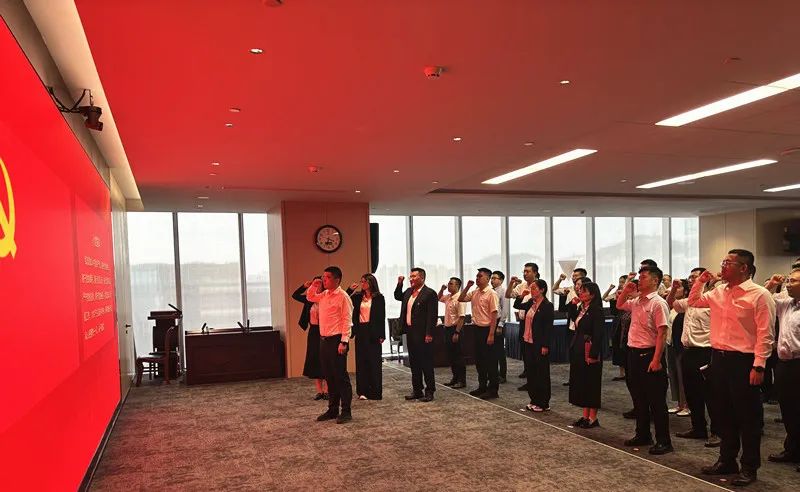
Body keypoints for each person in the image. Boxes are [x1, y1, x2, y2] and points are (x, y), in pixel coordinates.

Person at [688, 249, 776, 486]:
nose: (723, 266)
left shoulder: (759, 294)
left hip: (744, 361)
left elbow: (765, 334)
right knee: (722, 413)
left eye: (728, 263)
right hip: (718, 358)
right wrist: (700, 281)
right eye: (723, 262)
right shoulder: (718, 291)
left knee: (748, 417)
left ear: (744, 268)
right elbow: (693, 302)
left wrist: (759, 366)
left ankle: (749, 466)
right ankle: (727, 460)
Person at [617, 265, 673, 455]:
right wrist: (627, 289)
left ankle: (664, 440)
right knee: (638, 398)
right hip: (633, 354)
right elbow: (619, 305)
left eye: (643, 277)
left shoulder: (658, 303)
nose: (639, 280)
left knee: (656, 401)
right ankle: (642, 434)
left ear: (655, 281)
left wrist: (657, 360)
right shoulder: (637, 301)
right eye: (639, 277)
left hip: (650, 355)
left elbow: (662, 333)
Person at [668, 268, 719, 448]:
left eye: (696, 277)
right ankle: (698, 428)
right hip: (688, 351)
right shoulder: (689, 301)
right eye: (690, 277)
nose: (691, 280)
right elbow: (671, 304)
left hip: (706, 351)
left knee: (711, 394)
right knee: (691, 392)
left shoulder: (713, 299)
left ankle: (717, 432)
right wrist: (673, 289)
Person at [307, 266, 354, 424]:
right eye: (323, 277)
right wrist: (314, 285)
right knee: (329, 376)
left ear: (337, 279)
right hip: (324, 340)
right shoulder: (324, 295)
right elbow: (310, 297)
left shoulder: (343, 296)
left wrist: (344, 341)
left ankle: (346, 411)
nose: (324, 280)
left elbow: (347, 320)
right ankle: (332, 409)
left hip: (337, 340)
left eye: (327, 277)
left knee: (340, 377)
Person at [765, 268, 800, 471]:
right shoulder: (786, 303)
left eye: (793, 281)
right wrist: (772, 284)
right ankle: (792, 449)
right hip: (784, 363)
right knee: (788, 409)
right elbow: (763, 299)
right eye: (788, 280)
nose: (788, 284)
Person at [395, 268, 438, 402]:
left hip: (423, 333)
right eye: (410, 276)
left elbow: (432, 315)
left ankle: (430, 391)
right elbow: (397, 296)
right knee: (414, 363)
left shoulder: (429, 293)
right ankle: (417, 390)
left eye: (414, 276)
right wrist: (400, 284)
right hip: (410, 332)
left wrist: (429, 333)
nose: (411, 279)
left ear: (422, 278)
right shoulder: (409, 292)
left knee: (426, 363)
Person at [459, 268, 500, 400]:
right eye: (476, 276)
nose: (477, 278)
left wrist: (491, 334)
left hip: (487, 330)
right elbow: (461, 298)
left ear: (487, 279)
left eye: (480, 276)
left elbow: (494, 315)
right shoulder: (475, 292)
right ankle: (482, 386)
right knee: (480, 360)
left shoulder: (491, 293)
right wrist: (467, 286)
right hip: (476, 329)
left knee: (491, 361)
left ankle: (493, 390)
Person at [513, 279, 554, 412]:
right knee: (531, 373)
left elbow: (548, 328)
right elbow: (517, 305)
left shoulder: (547, 305)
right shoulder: (531, 302)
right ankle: (534, 399)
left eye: (534, 288)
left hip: (539, 343)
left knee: (541, 373)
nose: (532, 291)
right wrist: (521, 295)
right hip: (528, 342)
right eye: (531, 288)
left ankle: (543, 402)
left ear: (542, 290)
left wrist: (545, 345)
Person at [569, 282, 605, 428]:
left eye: (584, 291)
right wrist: (573, 305)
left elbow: (598, 334)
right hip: (579, 347)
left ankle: (593, 418)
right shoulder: (582, 308)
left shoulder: (597, 310)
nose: (580, 293)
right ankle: (585, 416)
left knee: (591, 383)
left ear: (593, 294)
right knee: (582, 382)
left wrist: (593, 354)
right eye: (580, 291)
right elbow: (574, 319)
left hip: (590, 349)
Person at [349, 273, 385, 401]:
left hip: (373, 331)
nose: (362, 283)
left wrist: (382, 334)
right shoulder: (357, 297)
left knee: (374, 362)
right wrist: (350, 290)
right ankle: (362, 391)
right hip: (361, 330)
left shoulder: (379, 298)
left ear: (371, 283)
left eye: (364, 281)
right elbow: (344, 299)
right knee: (361, 361)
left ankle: (375, 391)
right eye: (361, 281)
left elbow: (381, 317)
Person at [291, 277, 328, 400]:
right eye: (315, 283)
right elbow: (295, 295)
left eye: (319, 283)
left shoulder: (326, 297)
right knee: (314, 358)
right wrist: (304, 286)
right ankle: (319, 391)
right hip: (313, 331)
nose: (317, 285)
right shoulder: (309, 299)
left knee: (325, 358)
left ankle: (327, 390)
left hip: (325, 330)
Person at [507, 262, 540, 389]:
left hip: (533, 322)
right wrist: (511, 283)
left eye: (528, 271)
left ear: (535, 273)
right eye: (524, 271)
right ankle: (528, 371)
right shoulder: (521, 286)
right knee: (525, 349)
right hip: (523, 321)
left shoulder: (539, 285)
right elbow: (508, 295)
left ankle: (534, 378)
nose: (525, 274)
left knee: (533, 351)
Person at [665, 279, 689, 416]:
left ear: (685, 291)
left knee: (682, 376)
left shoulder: (686, 306)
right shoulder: (674, 307)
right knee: (673, 375)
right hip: (671, 344)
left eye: (679, 288)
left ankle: (687, 405)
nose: (675, 290)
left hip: (681, 346)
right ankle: (679, 404)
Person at [439, 277, 467, 388]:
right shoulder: (448, 297)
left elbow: (462, 317)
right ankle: (455, 378)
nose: (448, 285)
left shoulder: (460, 299)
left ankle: (461, 380)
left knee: (458, 356)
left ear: (457, 286)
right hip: (447, 329)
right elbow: (438, 298)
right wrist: (442, 289)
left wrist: (457, 332)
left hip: (456, 329)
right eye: (449, 283)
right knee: (451, 355)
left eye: (451, 284)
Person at [604, 275, 628, 381]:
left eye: (623, 282)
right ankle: (622, 372)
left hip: (626, 320)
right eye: (620, 282)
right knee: (617, 345)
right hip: (617, 321)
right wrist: (610, 289)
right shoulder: (616, 293)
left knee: (625, 345)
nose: (620, 284)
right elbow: (604, 298)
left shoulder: (629, 294)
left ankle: (628, 371)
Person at [491, 270, 508, 383]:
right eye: (491, 278)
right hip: (491, 322)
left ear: (501, 280)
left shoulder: (503, 291)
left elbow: (505, 309)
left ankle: (502, 375)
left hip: (498, 323)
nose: (492, 280)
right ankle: (494, 373)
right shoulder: (491, 291)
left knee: (500, 351)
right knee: (492, 350)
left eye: (494, 278)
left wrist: (500, 325)